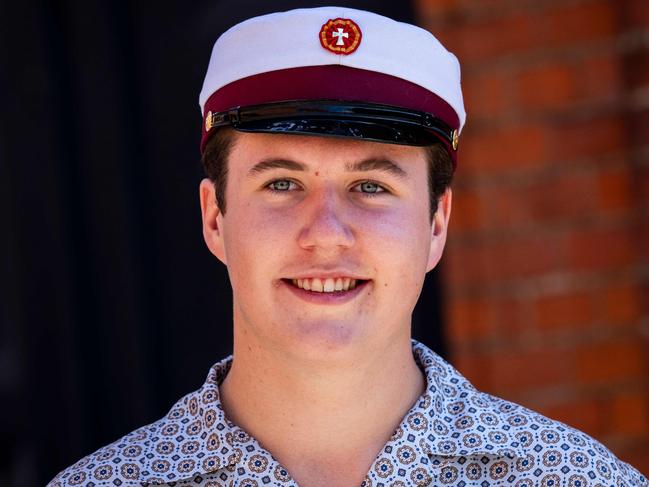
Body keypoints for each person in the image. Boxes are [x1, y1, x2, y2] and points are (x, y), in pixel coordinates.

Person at [48, 6, 646, 487]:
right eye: (282, 183)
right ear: (214, 218)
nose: (327, 232)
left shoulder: (571, 478)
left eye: (371, 186)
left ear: (436, 224)